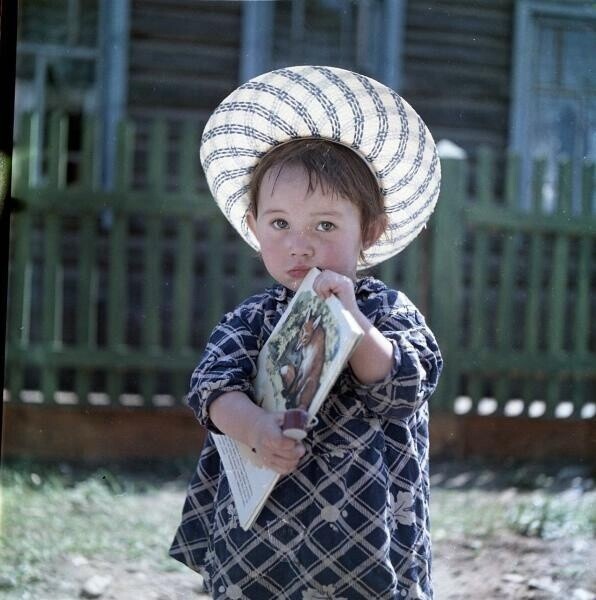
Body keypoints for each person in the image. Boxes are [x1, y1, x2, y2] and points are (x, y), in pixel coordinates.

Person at [170, 65, 443, 600]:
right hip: (263, 539)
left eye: (324, 225)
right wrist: (255, 428)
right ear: (254, 226)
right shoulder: (252, 318)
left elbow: (403, 388)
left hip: (364, 534)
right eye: (279, 224)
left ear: (370, 229)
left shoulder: (387, 310)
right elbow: (212, 389)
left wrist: (353, 323)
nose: (300, 245)